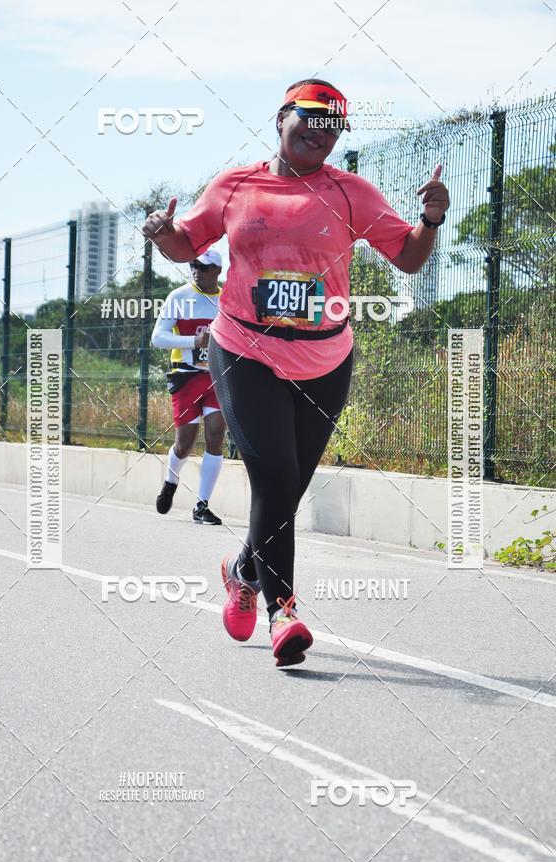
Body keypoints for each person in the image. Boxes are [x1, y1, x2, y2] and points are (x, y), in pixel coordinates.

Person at [143, 78, 450, 667]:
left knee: (290, 485)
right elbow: (188, 245)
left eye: (333, 123)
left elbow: (408, 259)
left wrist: (429, 220)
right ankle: (283, 611)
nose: (320, 130)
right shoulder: (236, 186)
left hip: (324, 359)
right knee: (274, 475)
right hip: (244, 350)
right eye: (310, 116)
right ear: (281, 118)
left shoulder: (351, 191)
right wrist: (164, 234)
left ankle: (241, 572)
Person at [151, 248, 226, 525]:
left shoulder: (229, 299)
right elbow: (157, 338)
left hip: (218, 376)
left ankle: (202, 505)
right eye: (193, 265)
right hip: (185, 375)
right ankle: (171, 480)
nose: (196, 270)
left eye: (203, 267)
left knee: (216, 435)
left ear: (217, 270)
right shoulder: (179, 297)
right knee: (184, 445)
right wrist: (192, 342)